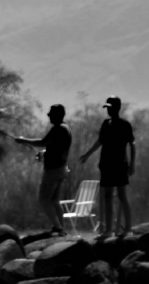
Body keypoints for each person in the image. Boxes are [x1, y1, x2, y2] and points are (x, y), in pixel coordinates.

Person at [79, 96, 136, 237]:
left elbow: (132, 144)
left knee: (122, 195)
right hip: (106, 164)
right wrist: (87, 154)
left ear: (117, 108)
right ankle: (108, 230)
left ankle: (128, 228)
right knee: (108, 196)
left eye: (110, 107)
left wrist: (132, 164)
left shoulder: (125, 125)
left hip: (120, 164)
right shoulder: (106, 124)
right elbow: (100, 142)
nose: (108, 110)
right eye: (107, 108)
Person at [13, 104, 72, 236]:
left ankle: (58, 228)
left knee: (44, 200)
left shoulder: (58, 129)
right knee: (55, 200)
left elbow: (42, 142)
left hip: (53, 171)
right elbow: (55, 147)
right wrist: (45, 153)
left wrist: (23, 141)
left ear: (57, 115)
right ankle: (61, 228)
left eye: (51, 113)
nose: (48, 115)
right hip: (62, 169)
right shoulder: (66, 128)